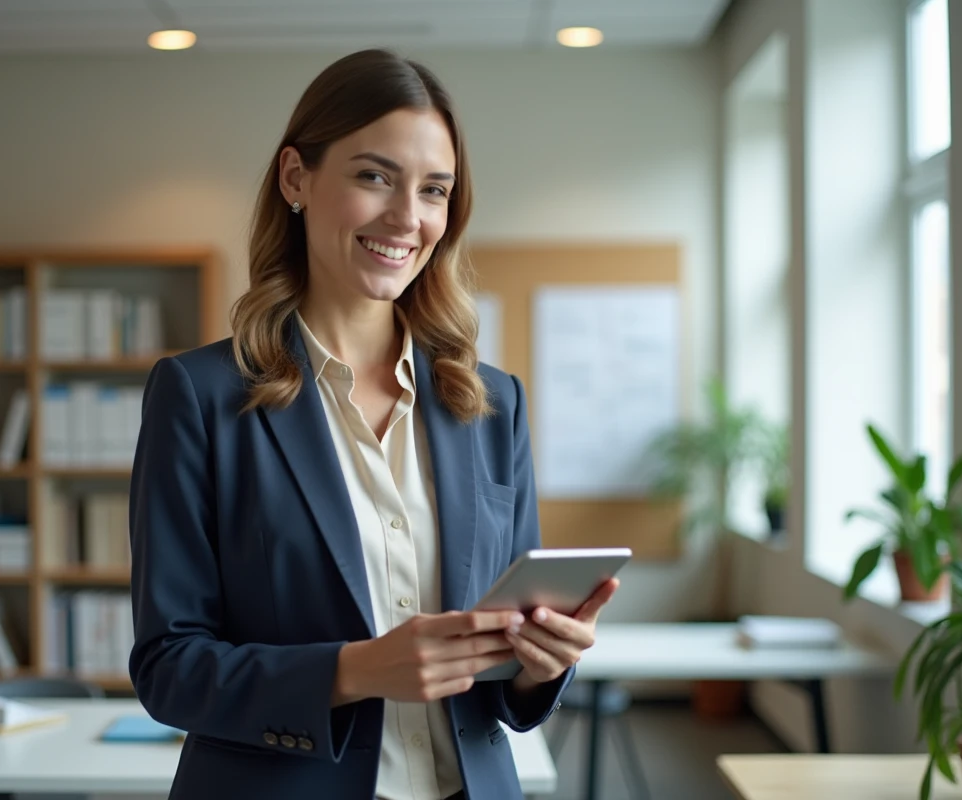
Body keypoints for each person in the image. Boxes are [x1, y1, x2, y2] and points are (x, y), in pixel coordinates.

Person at [127, 48, 620, 800]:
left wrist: (542, 662)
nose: (406, 217)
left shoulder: (490, 403)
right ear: (296, 178)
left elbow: (505, 675)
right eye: (373, 176)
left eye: (434, 190)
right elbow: (169, 667)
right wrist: (353, 670)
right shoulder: (199, 396)